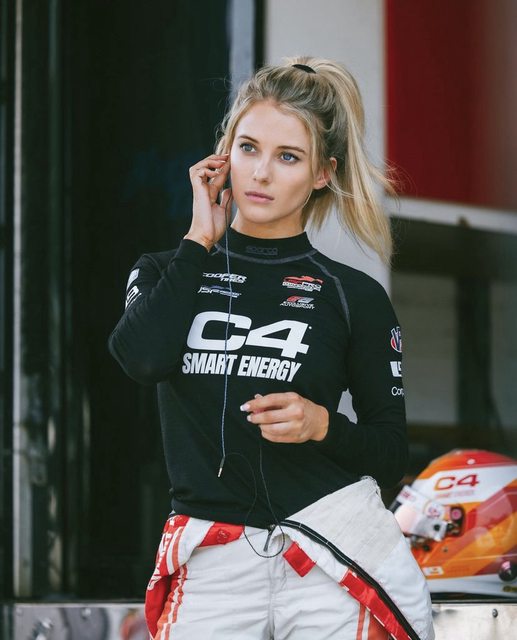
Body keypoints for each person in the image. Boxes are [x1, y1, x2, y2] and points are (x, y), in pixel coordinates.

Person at [109, 57, 434, 640]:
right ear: (223, 156)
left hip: (328, 552)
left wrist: (321, 425)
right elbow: (143, 359)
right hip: (212, 558)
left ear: (322, 174)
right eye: (249, 148)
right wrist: (199, 239)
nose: (260, 173)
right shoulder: (166, 270)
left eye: (288, 157)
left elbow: (390, 456)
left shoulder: (354, 296)